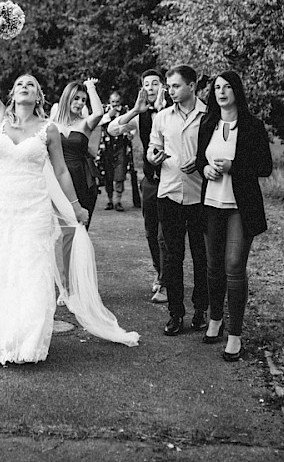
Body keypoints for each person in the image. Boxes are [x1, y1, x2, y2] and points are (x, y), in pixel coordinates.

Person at [0, 17, 138, 365]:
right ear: (12, 94)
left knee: (31, 268)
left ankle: (28, 339)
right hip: (4, 206)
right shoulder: (0, 120)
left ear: (39, 96)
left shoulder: (50, 129)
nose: (25, 86)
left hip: (35, 207)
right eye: (20, 83)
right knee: (2, 264)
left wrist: (75, 208)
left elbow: (60, 171)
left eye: (31, 84)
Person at [194, 70, 273, 361]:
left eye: (227, 87)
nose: (222, 92)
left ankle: (235, 335)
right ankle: (216, 318)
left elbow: (265, 166)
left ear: (237, 91)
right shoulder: (208, 123)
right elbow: (200, 158)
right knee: (213, 266)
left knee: (234, 266)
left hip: (241, 207)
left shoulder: (252, 126)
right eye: (217, 88)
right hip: (212, 203)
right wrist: (205, 168)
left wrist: (233, 166)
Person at [147, 65, 209, 336]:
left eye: (175, 86)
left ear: (192, 86)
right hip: (169, 192)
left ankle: (201, 310)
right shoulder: (161, 117)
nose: (169, 91)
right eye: (168, 86)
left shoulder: (208, 115)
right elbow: (153, 147)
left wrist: (201, 161)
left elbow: (216, 148)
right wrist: (153, 156)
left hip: (200, 195)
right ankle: (175, 314)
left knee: (201, 256)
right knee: (172, 257)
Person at [106, 69, 169, 303]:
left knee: (165, 234)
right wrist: (135, 109)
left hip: (173, 180)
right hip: (151, 180)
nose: (151, 88)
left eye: (155, 83)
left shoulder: (174, 111)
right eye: (147, 84)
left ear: (163, 86)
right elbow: (112, 128)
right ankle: (160, 272)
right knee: (151, 231)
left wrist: (164, 109)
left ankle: (165, 281)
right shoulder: (140, 115)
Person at [52, 78, 104, 227]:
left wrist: (90, 87)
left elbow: (99, 112)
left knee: (79, 226)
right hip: (58, 178)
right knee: (59, 228)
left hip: (82, 178)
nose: (80, 103)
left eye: (83, 100)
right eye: (76, 98)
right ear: (66, 98)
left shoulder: (85, 123)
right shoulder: (51, 125)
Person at [98, 92, 132, 211]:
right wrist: (108, 114)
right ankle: (109, 200)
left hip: (121, 146)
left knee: (120, 173)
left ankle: (118, 200)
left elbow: (131, 125)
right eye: (113, 102)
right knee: (108, 174)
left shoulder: (125, 110)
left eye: (117, 102)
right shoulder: (105, 110)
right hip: (107, 147)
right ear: (109, 101)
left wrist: (131, 134)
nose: (115, 104)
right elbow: (99, 122)